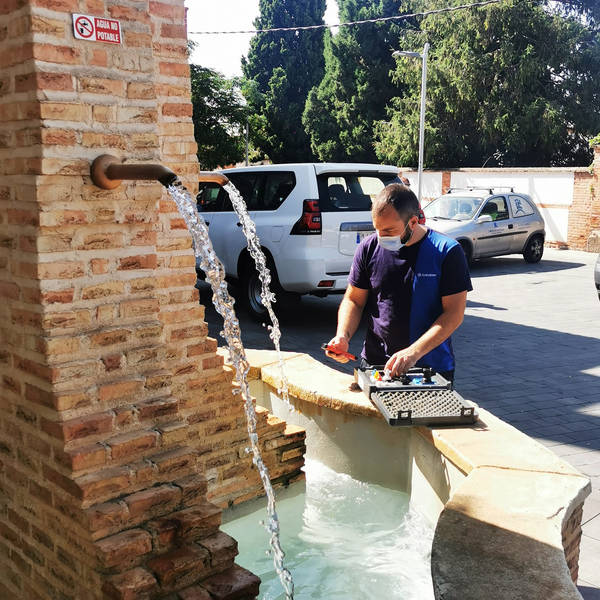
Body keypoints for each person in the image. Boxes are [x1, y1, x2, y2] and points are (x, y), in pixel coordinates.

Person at [325, 183, 472, 382]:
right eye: (377, 229)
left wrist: (412, 353)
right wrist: (343, 335)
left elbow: (454, 314)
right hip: (375, 365)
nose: (381, 236)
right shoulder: (368, 248)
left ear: (412, 222)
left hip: (430, 369)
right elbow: (354, 300)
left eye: (389, 230)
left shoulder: (446, 251)